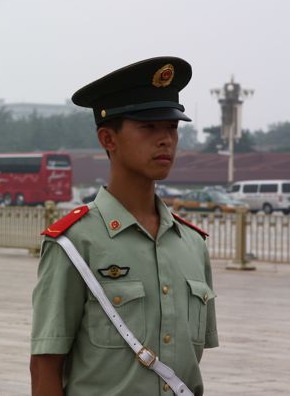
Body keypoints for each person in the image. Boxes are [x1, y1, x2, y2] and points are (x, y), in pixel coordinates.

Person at [30, 57, 218, 395]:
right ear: (108, 139)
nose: (166, 140)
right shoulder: (74, 243)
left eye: (172, 128)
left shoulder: (192, 245)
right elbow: (45, 366)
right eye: (149, 127)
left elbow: (189, 362)